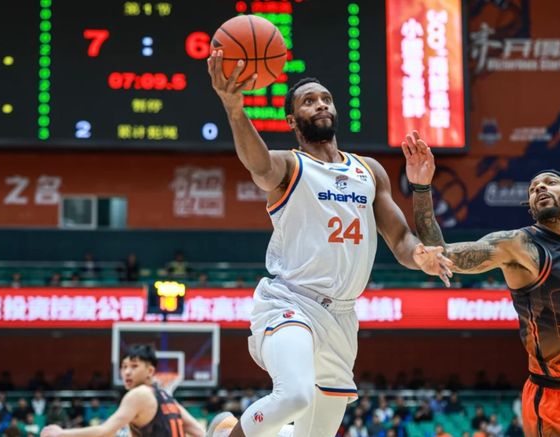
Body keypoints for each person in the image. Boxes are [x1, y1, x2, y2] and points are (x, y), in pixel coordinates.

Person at [205, 52, 452, 437]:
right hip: (291, 301)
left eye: (326, 98)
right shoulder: (289, 165)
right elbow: (259, 165)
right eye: (309, 101)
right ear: (292, 120)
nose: (321, 104)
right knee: (294, 396)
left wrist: (421, 256)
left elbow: (401, 239)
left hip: (342, 315)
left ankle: (225, 430)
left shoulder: (369, 170)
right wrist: (235, 110)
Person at [403, 131, 560, 437]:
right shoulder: (519, 245)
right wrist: (422, 188)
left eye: (550, 183)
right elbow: (443, 253)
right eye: (533, 188)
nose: (540, 188)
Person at [40, 344, 204, 437]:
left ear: (150, 371)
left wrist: (61, 434)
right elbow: (198, 431)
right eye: (124, 367)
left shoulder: (139, 395)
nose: (127, 372)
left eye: (134, 366)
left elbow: (104, 431)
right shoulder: (167, 397)